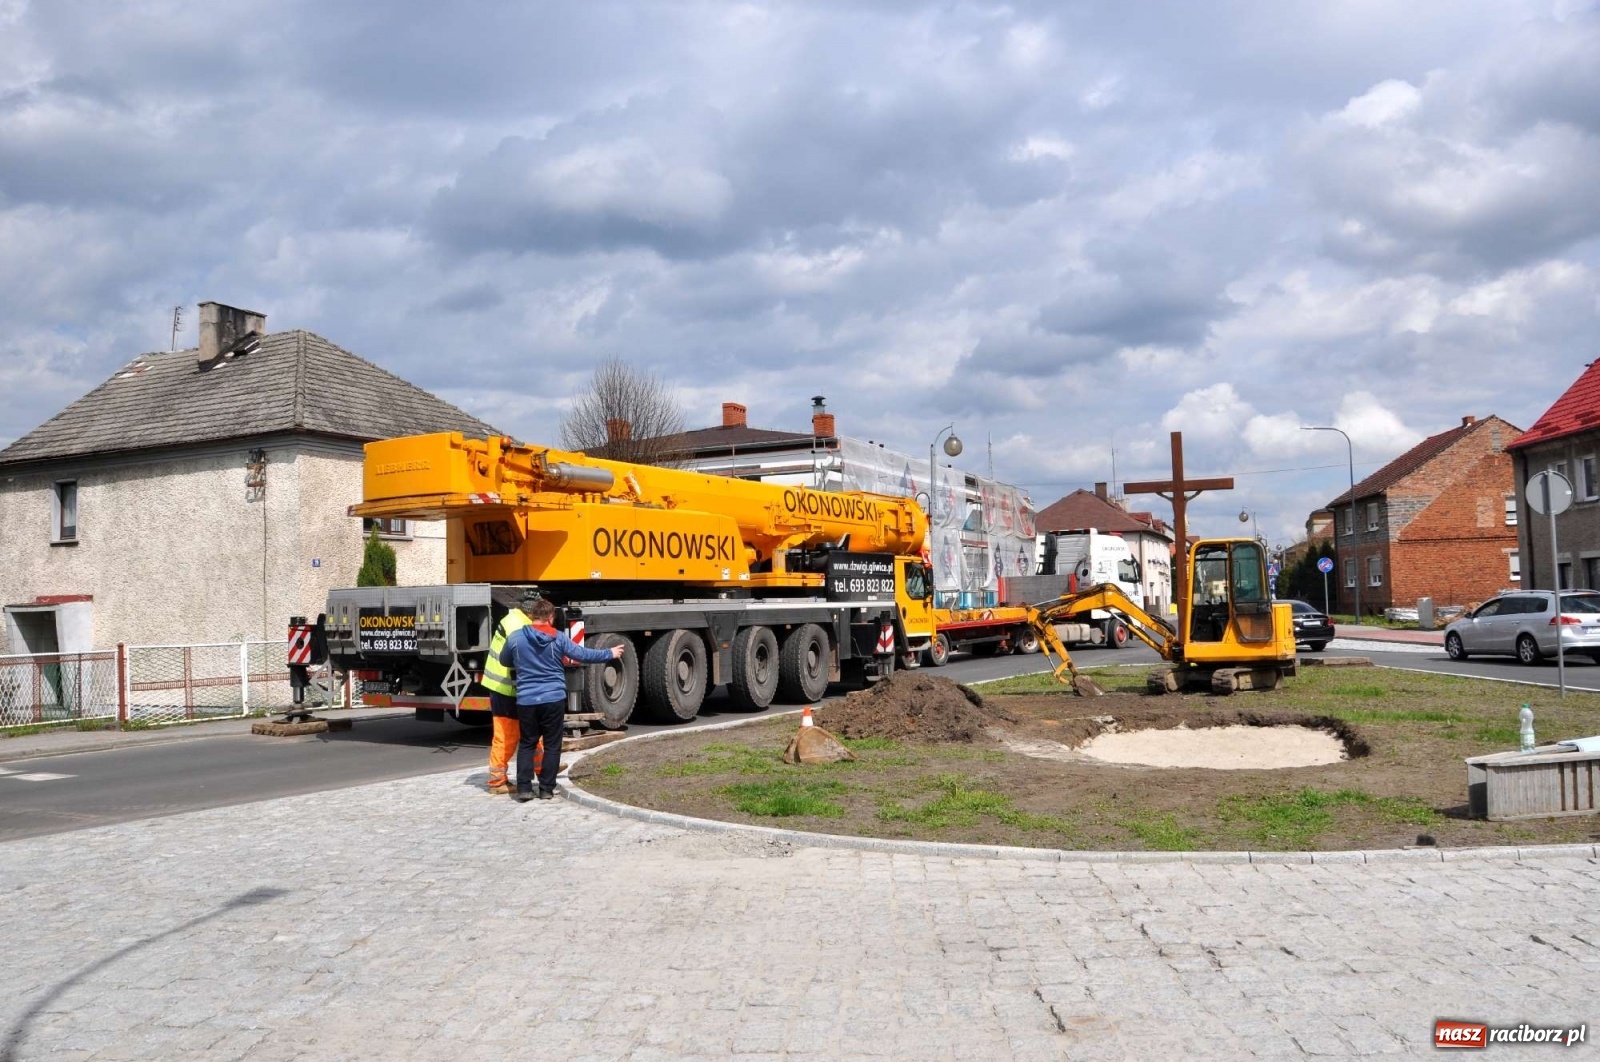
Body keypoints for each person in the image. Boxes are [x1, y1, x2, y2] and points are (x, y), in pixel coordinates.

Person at [498, 597, 624, 802]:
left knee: (528, 743)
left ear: (531, 616)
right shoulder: (558, 638)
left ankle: (524, 788)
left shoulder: (515, 637)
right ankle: (546, 789)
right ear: (550, 617)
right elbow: (582, 654)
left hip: (527, 699)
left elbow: (504, 660)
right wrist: (609, 653)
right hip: (553, 698)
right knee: (552, 745)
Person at [480, 589, 537, 795]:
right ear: (531, 612)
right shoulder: (519, 626)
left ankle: (544, 767)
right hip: (505, 687)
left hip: (506, 685)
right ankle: (497, 781)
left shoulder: (516, 617)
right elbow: (521, 659)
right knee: (506, 734)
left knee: (533, 729)